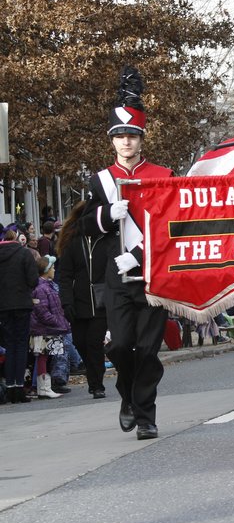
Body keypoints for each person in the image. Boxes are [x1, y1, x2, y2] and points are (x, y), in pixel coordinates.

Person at [83, 66, 174, 440]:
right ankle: (127, 396)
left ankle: (146, 415)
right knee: (121, 347)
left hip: (152, 275)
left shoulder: (163, 175)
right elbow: (86, 226)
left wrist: (137, 253)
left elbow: (172, 227)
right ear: (112, 141)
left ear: (141, 138)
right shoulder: (100, 180)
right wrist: (106, 214)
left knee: (149, 351)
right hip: (116, 280)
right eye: (119, 136)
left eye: (131, 135)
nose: (125, 142)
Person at [57, 200, 110, 398]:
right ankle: (92, 373)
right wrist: (66, 301)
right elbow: (65, 275)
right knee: (80, 342)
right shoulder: (72, 241)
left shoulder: (106, 239)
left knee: (94, 342)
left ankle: (97, 384)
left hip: (101, 301)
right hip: (78, 301)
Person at [0, 227, 40, 403]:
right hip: (22, 303)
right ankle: (18, 387)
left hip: (3, 306)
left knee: (9, 345)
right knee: (21, 344)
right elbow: (33, 280)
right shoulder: (24, 254)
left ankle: (10, 387)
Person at [29, 255, 71, 399]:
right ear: (46, 270)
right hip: (45, 328)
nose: (54, 270)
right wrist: (56, 321)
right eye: (52, 267)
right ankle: (44, 387)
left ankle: (44, 386)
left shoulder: (47, 286)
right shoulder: (42, 288)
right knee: (43, 357)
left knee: (45, 356)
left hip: (47, 327)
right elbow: (42, 311)